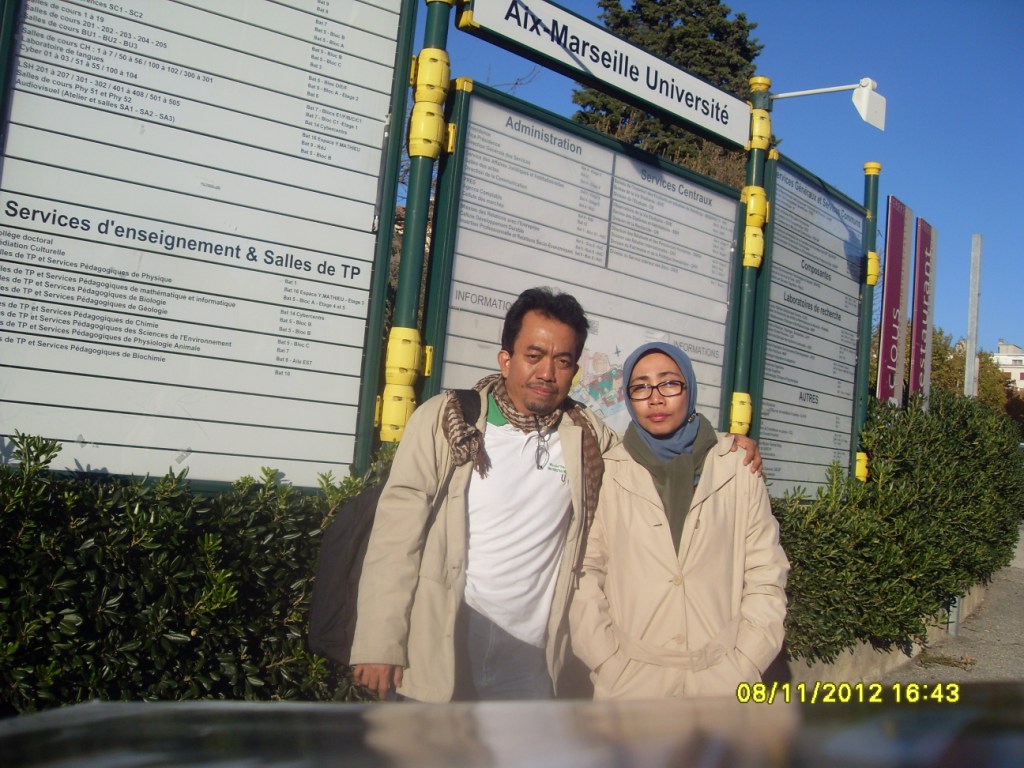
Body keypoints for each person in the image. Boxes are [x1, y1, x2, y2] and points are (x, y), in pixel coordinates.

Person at [351, 289, 762, 702]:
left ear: (575, 371)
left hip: (529, 656)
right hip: (441, 638)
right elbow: (396, 534)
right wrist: (379, 641)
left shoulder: (585, 434)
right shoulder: (448, 421)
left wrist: (723, 446)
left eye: (563, 361)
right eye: (534, 355)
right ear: (506, 359)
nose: (547, 372)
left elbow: (647, 452)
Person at [569, 341, 789, 700]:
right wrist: (607, 661)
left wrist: (746, 661)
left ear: (689, 387)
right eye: (640, 387)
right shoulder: (608, 470)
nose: (655, 398)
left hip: (722, 681)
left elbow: (766, 571)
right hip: (631, 684)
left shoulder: (737, 465)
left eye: (669, 383)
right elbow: (586, 571)